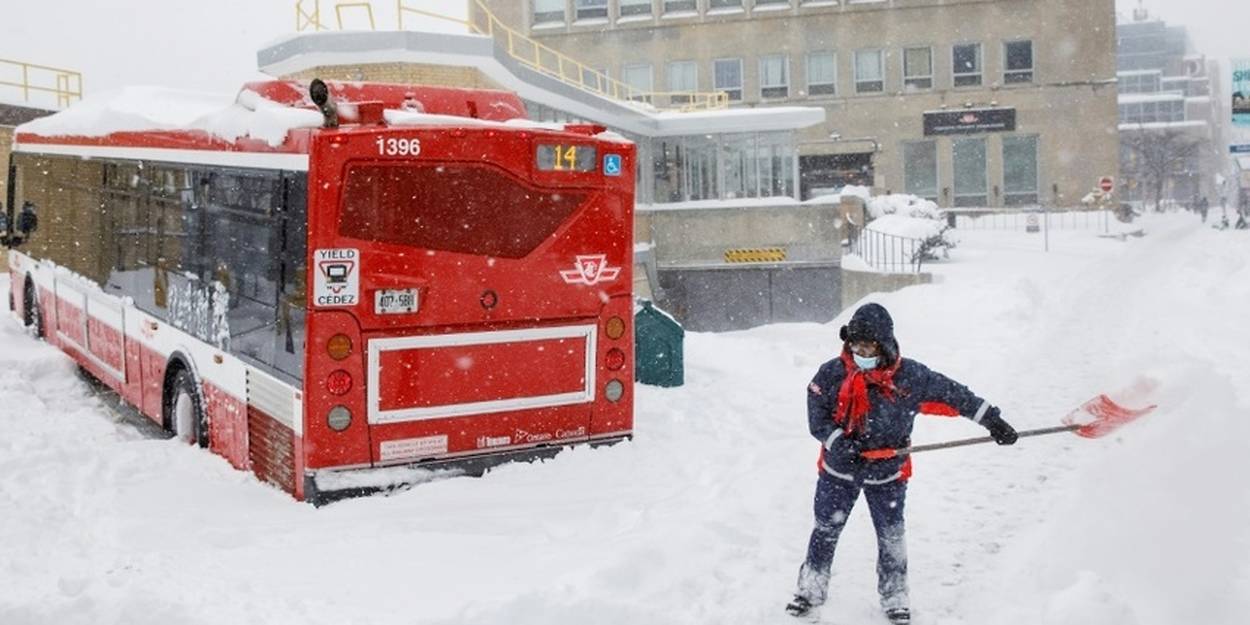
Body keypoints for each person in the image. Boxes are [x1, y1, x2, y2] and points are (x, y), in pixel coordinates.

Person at [785, 303, 1018, 625]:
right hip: (838, 472)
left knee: (891, 536)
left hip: (887, 474)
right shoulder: (832, 373)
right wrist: (840, 443)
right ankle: (809, 593)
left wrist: (993, 420)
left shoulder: (910, 378)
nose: (861, 351)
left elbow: (955, 395)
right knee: (825, 530)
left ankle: (894, 597)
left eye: (868, 345)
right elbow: (817, 418)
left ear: (885, 345)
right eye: (856, 344)